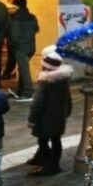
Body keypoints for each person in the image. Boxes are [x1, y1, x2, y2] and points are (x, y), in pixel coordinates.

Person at [27, 48, 73, 176]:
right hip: (59, 117)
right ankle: (54, 164)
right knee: (56, 140)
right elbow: (68, 98)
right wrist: (67, 111)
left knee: (43, 141)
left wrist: (32, 119)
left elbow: (38, 103)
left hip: (45, 119)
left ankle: (48, 164)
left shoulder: (45, 82)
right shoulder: (64, 79)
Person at [6, 0, 40, 102]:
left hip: (20, 48)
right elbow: (37, 29)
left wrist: (13, 46)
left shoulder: (15, 18)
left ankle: (27, 93)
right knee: (22, 68)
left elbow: (14, 35)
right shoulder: (32, 16)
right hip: (31, 47)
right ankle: (20, 90)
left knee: (24, 70)